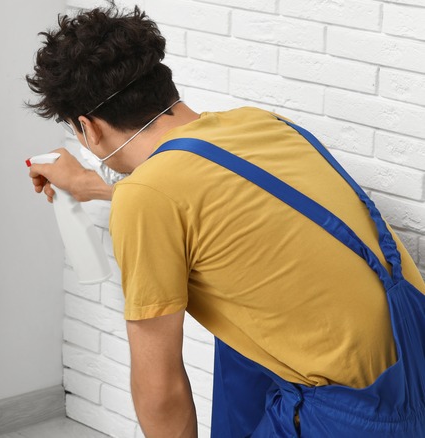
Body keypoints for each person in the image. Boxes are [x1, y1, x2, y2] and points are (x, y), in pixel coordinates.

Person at [25, 4, 425, 437]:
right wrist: (92, 186)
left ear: (88, 128)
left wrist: (119, 195)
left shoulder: (147, 197)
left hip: (360, 418)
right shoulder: (259, 124)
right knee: (234, 330)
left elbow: (159, 388)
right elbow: (198, 205)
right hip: (413, 359)